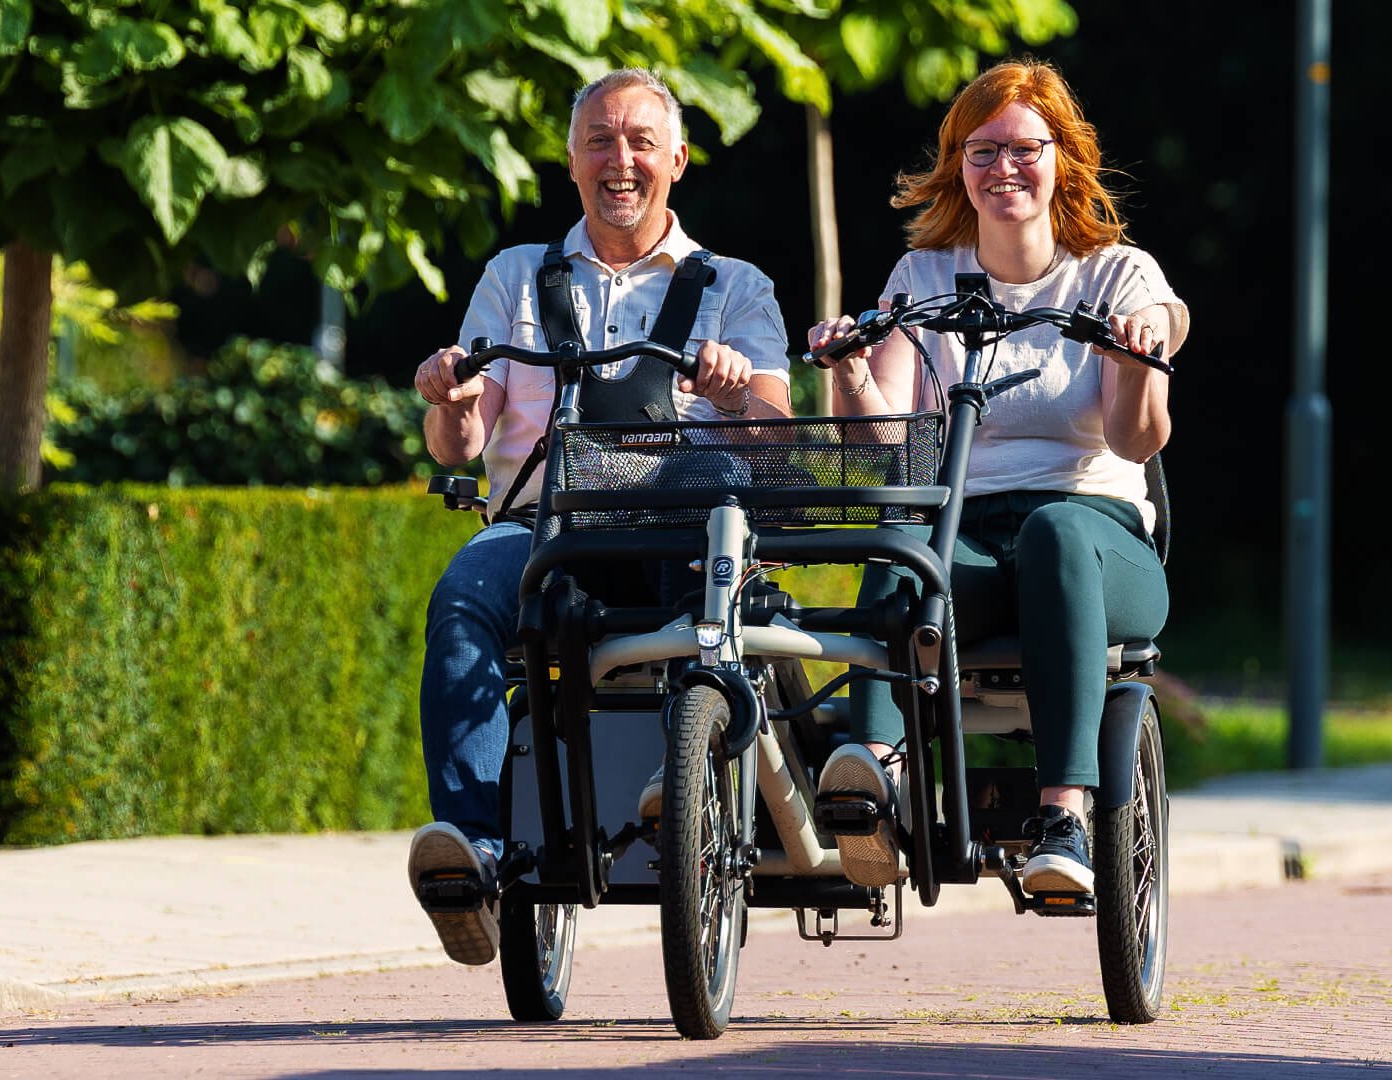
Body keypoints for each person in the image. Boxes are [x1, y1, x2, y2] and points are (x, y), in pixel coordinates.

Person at [406, 68, 793, 966]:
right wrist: (450, 398)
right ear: (573, 162)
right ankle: (477, 853)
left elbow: (777, 443)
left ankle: (678, 774)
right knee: (462, 598)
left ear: (678, 160)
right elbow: (460, 444)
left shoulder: (736, 287)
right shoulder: (514, 276)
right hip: (542, 533)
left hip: (682, 537)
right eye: (600, 142)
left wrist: (734, 396)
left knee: (709, 488)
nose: (621, 161)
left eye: (641, 142)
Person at [806, 59, 1187, 895]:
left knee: (1056, 530)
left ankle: (1063, 819)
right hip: (968, 534)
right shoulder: (924, 278)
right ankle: (873, 780)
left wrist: (1138, 354)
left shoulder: (1115, 274)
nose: (1003, 168)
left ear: (1062, 158)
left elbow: (1136, 440)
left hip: (1095, 537)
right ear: (959, 166)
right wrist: (851, 370)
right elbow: (885, 444)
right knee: (904, 545)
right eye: (982, 151)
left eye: (1023, 149)